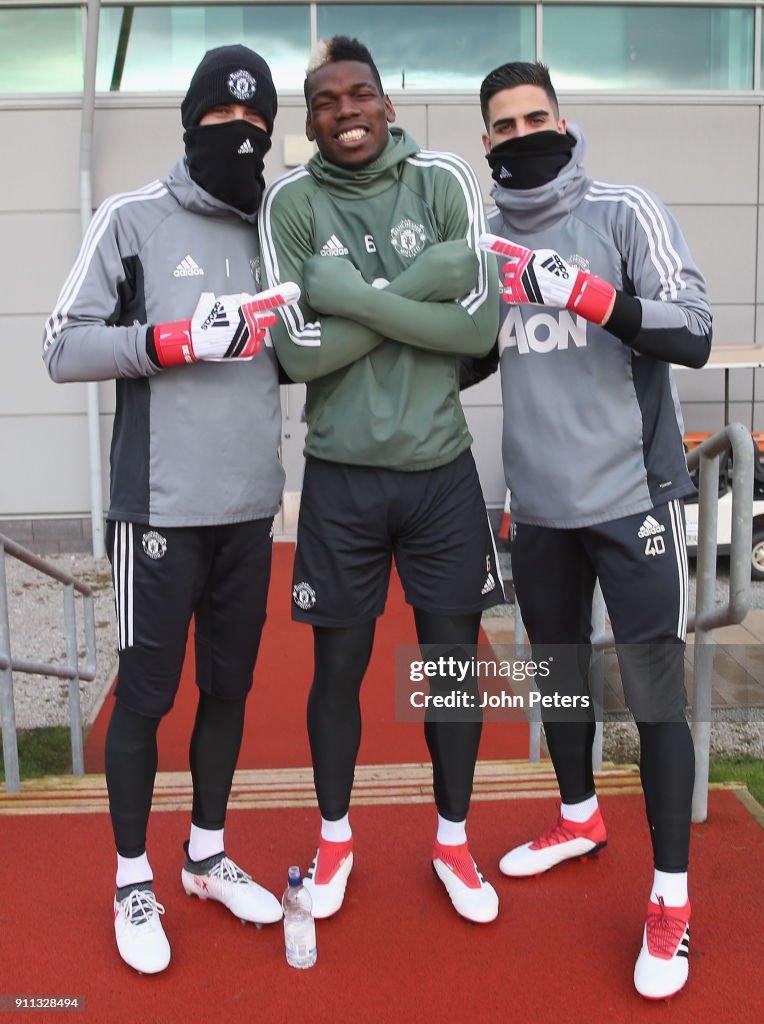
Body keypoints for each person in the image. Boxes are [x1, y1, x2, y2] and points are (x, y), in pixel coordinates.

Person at [43, 45, 295, 975]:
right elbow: (62, 347)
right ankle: (131, 877)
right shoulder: (131, 218)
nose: (241, 140)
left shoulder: (277, 221)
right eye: (224, 124)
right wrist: (174, 339)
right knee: (146, 699)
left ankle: (206, 853)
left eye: (258, 128)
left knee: (228, 692)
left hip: (248, 512)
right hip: (157, 509)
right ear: (190, 124)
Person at [471, 62, 712, 999]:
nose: (525, 131)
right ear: (486, 142)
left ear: (563, 121)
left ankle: (670, 899)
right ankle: (577, 815)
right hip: (537, 511)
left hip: (633, 502)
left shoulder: (623, 211)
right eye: (506, 123)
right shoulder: (481, 235)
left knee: (653, 695)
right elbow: (461, 357)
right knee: (559, 678)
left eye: (538, 116)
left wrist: (585, 293)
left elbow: (690, 329)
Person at [257, 36, 504, 925]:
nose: (346, 112)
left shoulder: (441, 181)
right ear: (310, 118)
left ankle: (450, 841)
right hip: (340, 480)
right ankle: (334, 840)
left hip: (440, 473)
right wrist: (419, 289)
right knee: (340, 671)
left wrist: (351, 294)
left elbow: (478, 333)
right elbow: (290, 351)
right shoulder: (288, 202)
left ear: (386, 105)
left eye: (360, 95)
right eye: (326, 102)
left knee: (451, 671)